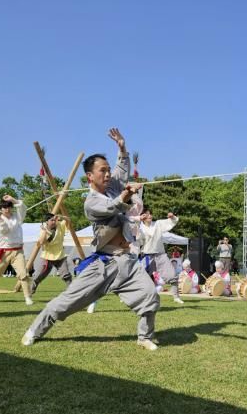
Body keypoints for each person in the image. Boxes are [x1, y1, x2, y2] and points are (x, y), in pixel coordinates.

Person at [22, 127, 160, 350]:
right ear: (90, 176)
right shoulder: (91, 203)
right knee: (66, 302)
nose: (108, 174)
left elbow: (122, 171)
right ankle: (34, 330)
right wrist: (127, 194)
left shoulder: (112, 186)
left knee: (150, 296)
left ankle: (144, 337)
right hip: (102, 266)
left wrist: (122, 149)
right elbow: (112, 207)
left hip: (127, 261)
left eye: (108, 170)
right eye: (102, 171)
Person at [140, 209, 184, 304]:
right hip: (146, 256)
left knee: (172, 275)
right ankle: (131, 296)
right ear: (142, 216)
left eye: (150, 214)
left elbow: (172, 222)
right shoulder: (139, 227)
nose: (149, 216)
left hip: (160, 254)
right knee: (139, 277)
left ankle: (176, 297)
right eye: (147, 214)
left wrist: (172, 217)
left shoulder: (158, 224)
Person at [27, 213, 73, 295]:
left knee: (66, 275)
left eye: (54, 220)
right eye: (51, 220)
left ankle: (72, 292)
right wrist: (45, 231)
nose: (54, 222)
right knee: (39, 275)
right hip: (47, 257)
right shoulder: (43, 230)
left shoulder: (60, 225)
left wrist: (61, 216)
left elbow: (68, 220)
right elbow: (41, 242)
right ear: (47, 222)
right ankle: (31, 289)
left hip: (60, 255)